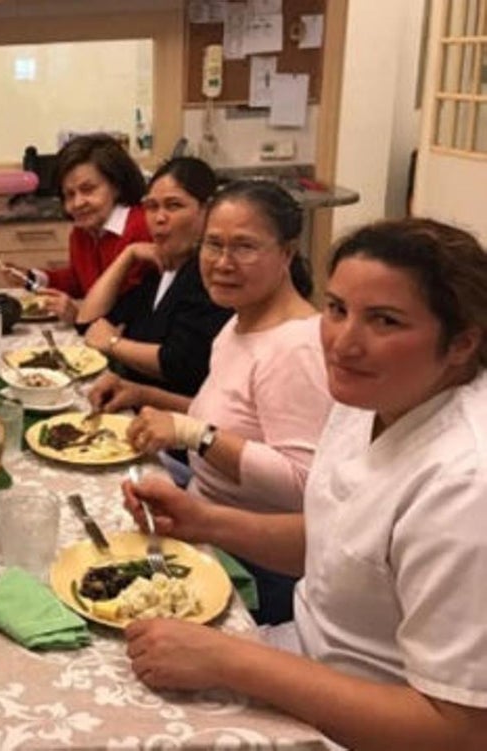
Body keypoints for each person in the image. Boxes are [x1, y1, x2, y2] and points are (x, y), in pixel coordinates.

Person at [121, 218, 487, 749]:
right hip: (304, 658)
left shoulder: (465, 485)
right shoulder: (371, 398)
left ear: (461, 343)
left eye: (384, 321)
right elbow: (343, 543)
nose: (342, 343)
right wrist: (206, 521)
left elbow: (456, 729)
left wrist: (230, 659)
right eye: (337, 309)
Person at [91, 181, 332, 623]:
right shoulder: (241, 323)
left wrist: (190, 434)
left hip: (254, 563)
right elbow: (229, 420)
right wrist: (143, 395)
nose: (222, 263)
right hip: (198, 516)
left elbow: (303, 484)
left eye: (244, 247)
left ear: (287, 252)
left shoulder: (297, 348)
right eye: (213, 245)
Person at [75, 157, 231, 398]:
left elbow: (180, 365)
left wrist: (114, 344)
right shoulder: (159, 270)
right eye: (151, 207)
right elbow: (88, 322)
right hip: (132, 399)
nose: (159, 218)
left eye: (173, 206)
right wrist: (127, 256)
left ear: (207, 211)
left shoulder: (211, 277)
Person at [2, 133, 152, 322]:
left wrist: (78, 314)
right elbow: (79, 281)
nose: (77, 203)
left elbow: (126, 311)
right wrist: (32, 277)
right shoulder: (82, 232)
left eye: (88, 189)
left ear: (117, 186)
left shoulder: (139, 228)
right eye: (69, 195)